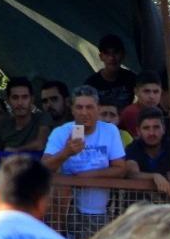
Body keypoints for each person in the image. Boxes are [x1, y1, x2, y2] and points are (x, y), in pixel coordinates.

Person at [41, 85, 126, 228]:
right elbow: (43, 167)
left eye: (89, 107)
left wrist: (86, 176)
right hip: (66, 211)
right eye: (79, 107)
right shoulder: (61, 132)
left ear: (98, 109)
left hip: (99, 211)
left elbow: (121, 169)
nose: (84, 112)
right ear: (72, 110)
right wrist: (66, 152)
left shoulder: (110, 131)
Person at [0, 77, 52, 155]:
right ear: (8, 101)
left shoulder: (42, 118)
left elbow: (40, 144)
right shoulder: (2, 125)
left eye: (25, 97)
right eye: (15, 98)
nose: (20, 103)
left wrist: (15, 150)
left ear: (32, 100)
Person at [84, 34, 137, 112]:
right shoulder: (91, 84)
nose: (112, 58)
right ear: (101, 57)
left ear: (123, 55)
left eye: (115, 52)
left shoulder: (131, 78)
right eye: (107, 53)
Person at [116, 70, 163, 139]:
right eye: (146, 91)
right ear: (136, 92)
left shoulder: (157, 111)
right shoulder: (131, 112)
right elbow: (144, 142)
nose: (152, 96)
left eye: (156, 92)